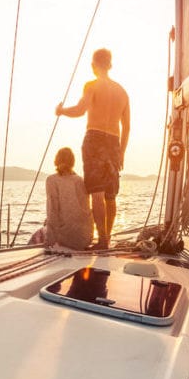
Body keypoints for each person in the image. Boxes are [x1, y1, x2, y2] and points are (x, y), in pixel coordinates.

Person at [56, 48, 130, 249]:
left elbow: (80, 110)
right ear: (110, 65)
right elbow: (127, 126)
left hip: (95, 139)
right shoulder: (123, 92)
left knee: (97, 192)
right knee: (110, 194)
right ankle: (107, 237)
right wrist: (122, 151)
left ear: (93, 65)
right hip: (114, 142)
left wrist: (61, 111)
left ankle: (103, 239)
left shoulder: (92, 85)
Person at [43, 147, 93, 250]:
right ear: (72, 162)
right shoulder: (80, 180)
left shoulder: (52, 180)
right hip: (84, 238)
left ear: (56, 160)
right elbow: (86, 210)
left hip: (66, 239)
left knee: (40, 232)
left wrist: (50, 240)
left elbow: (53, 211)